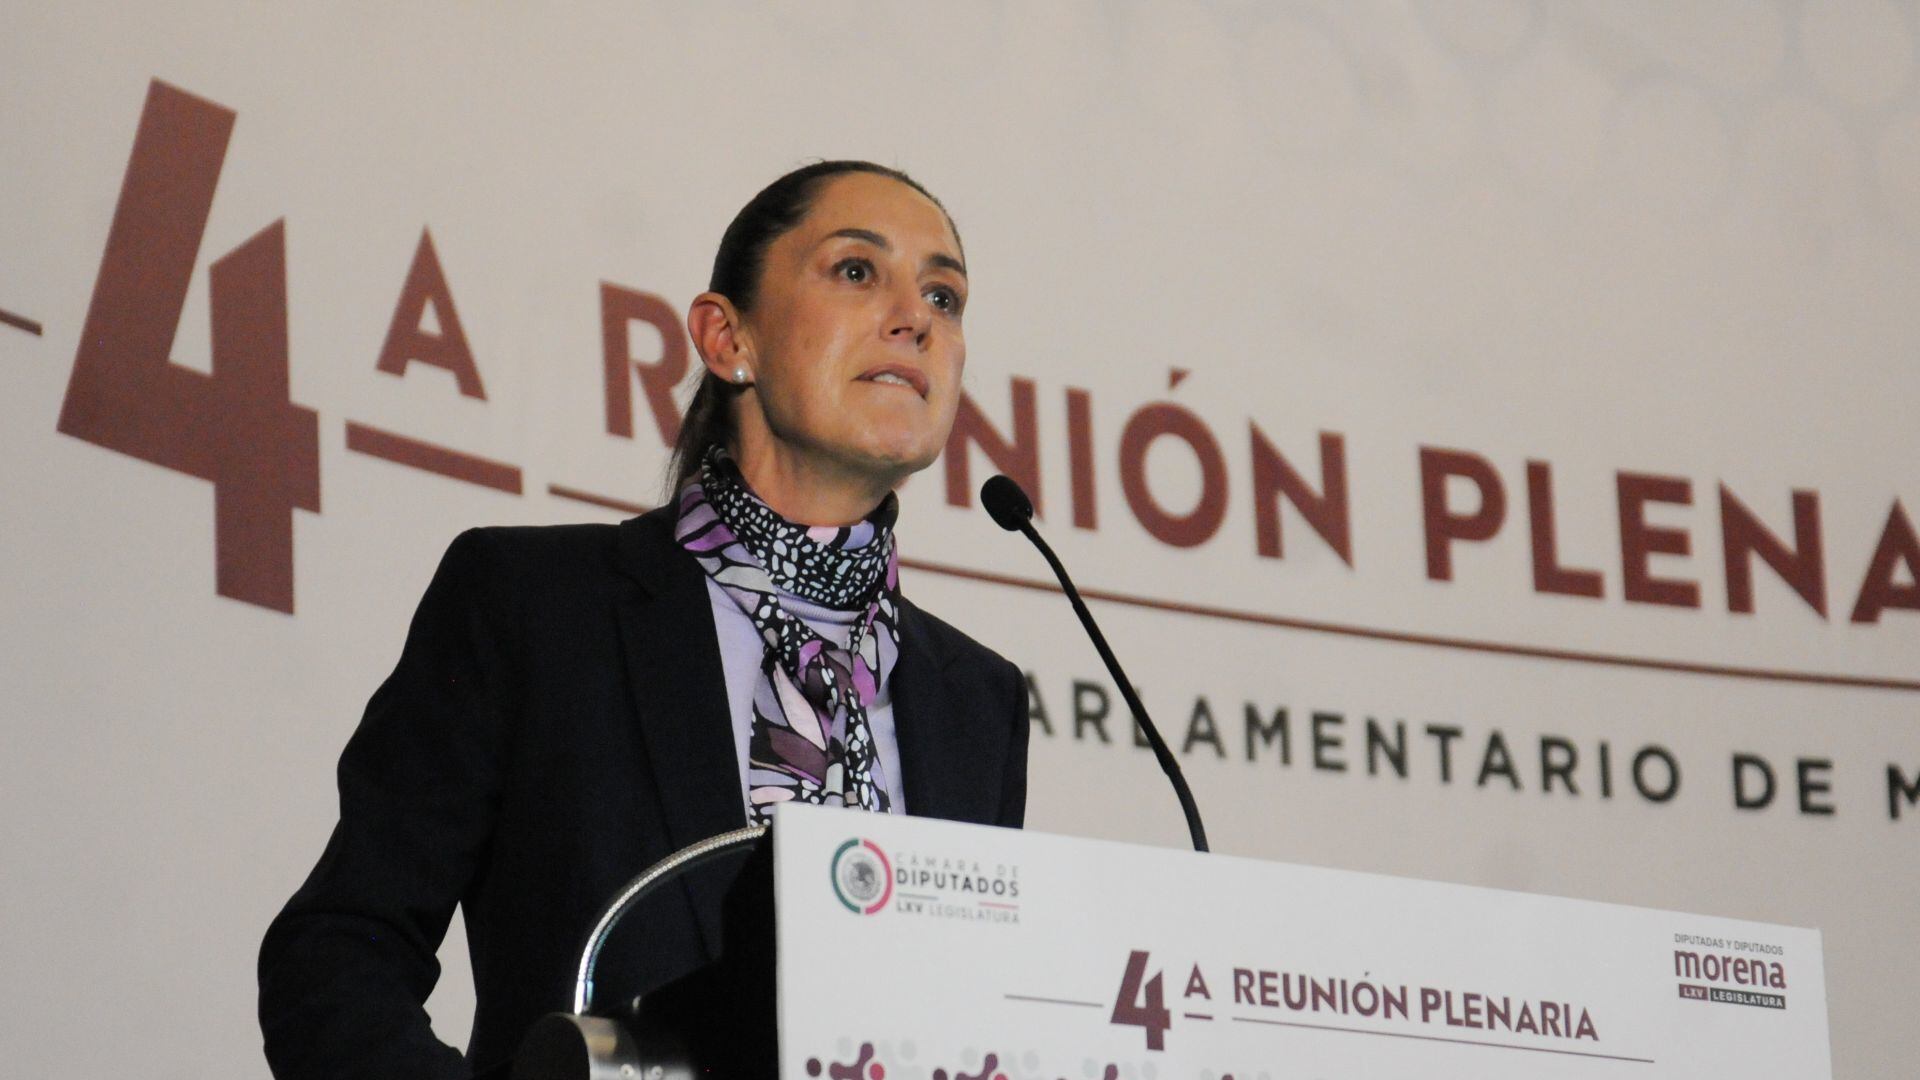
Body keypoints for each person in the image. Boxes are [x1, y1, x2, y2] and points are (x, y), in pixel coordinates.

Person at [257, 161, 1030, 1080]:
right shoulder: (536, 604)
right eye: (857, 271)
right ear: (726, 337)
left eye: (945, 296)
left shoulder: (975, 698)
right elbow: (338, 955)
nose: (916, 319)